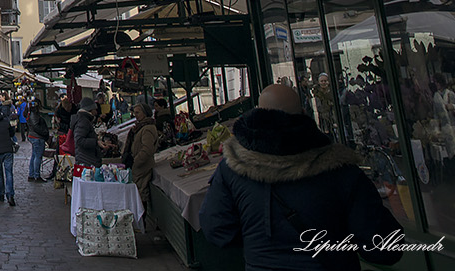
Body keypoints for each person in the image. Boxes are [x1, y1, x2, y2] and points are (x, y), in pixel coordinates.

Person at [200, 84, 403, 271]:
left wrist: (259, 244)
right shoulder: (341, 170)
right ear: (305, 114)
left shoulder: (232, 169)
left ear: (258, 113)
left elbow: (216, 228)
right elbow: (383, 249)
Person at [123, 102, 159, 210]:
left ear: (145, 113)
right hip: (138, 167)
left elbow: (147, 149)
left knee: (141, 195)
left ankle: (141, 223)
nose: (135, 115)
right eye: (134, 113)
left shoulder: (147, 128)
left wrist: (136, 162)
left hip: (142, 167)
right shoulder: (140, 127)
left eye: (138, 112)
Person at [68, 96, 102, 167]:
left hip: (85, 159)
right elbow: (79, 140)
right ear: (90, 109)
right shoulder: (83, 121)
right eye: (95, 109)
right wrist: (96, 142)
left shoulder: (84, 120)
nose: (96, 112)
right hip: (86, 160)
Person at [27, 100, 51, 182]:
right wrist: (44, 133)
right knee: (37, 156)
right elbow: (35, 126)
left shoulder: (31, 113)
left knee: (34, 156)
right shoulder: (34, 114)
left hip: (34, 136)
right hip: (37, 137)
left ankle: (32, 174)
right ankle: (36, 175)